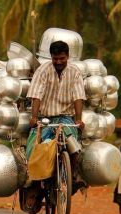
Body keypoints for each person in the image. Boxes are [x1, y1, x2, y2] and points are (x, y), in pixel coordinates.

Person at [26, 40, 86, 194]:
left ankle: (71, 177)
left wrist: (78, 120)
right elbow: (36, 95)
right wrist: (34, 117)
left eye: (62, 58)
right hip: (45, 118)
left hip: (66, 117)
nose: (58, 62)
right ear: (51, 57)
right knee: (35, 148)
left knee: (75, 147)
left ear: (68, 56)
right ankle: (34, 184)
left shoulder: (75, 72)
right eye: (55, 59)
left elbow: (78, 97)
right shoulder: (43, 70)